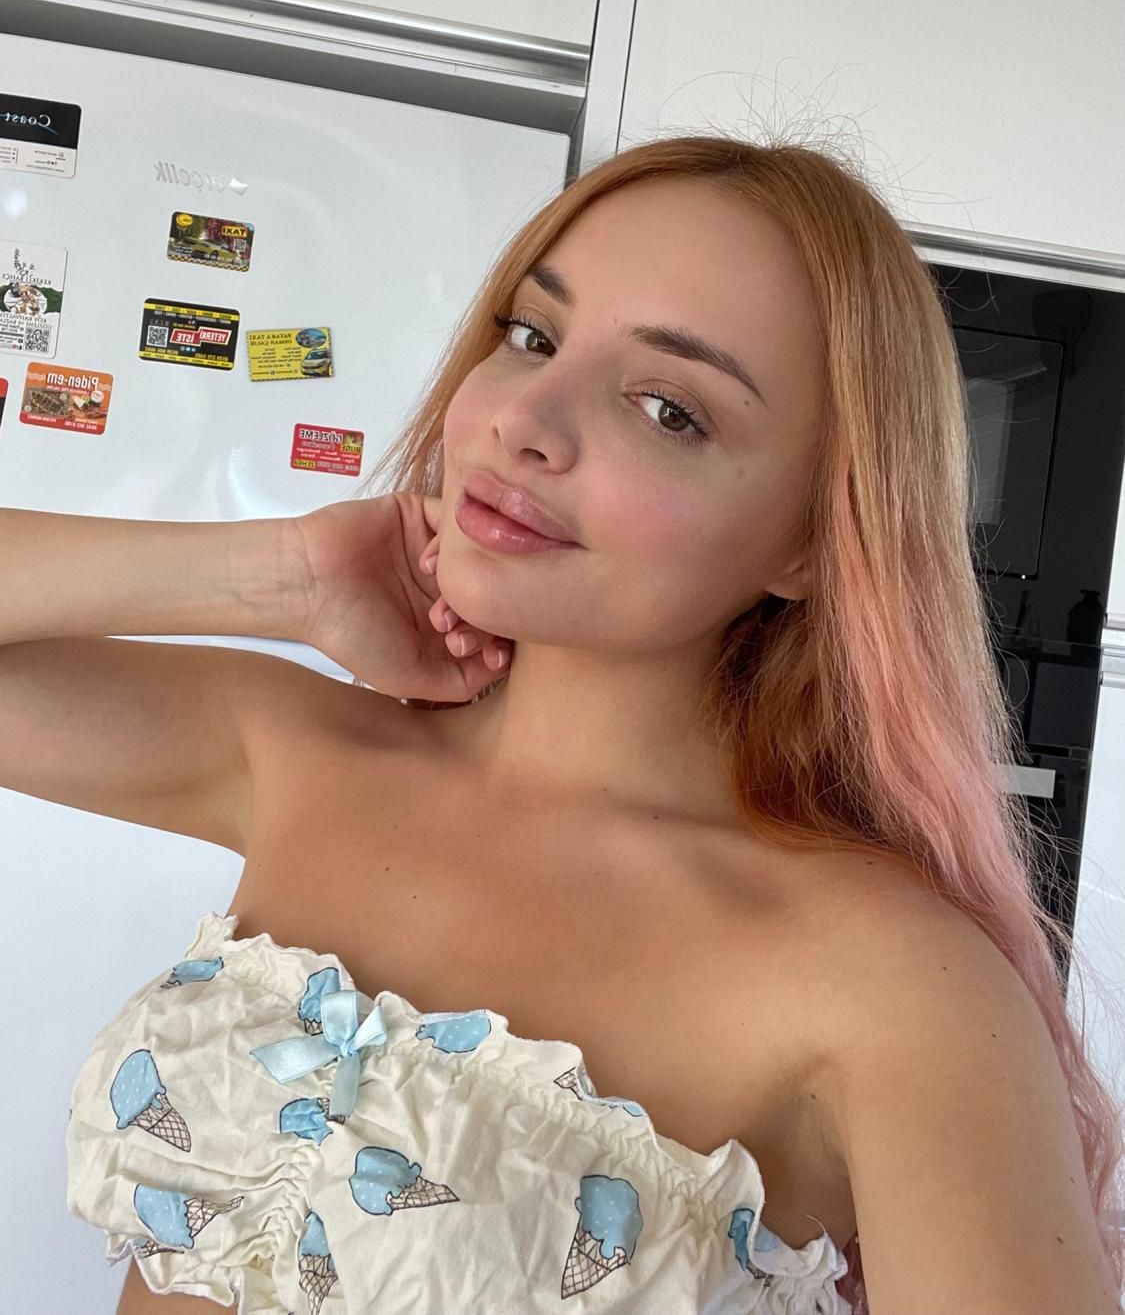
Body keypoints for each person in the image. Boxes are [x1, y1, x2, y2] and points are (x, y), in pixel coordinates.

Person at [2, 134, 1122, 1315]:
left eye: (669, 409)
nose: (524, 420)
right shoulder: (297, 754)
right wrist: (280, 576)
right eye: (533, 337)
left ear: (810, 540)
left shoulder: (898, 988)